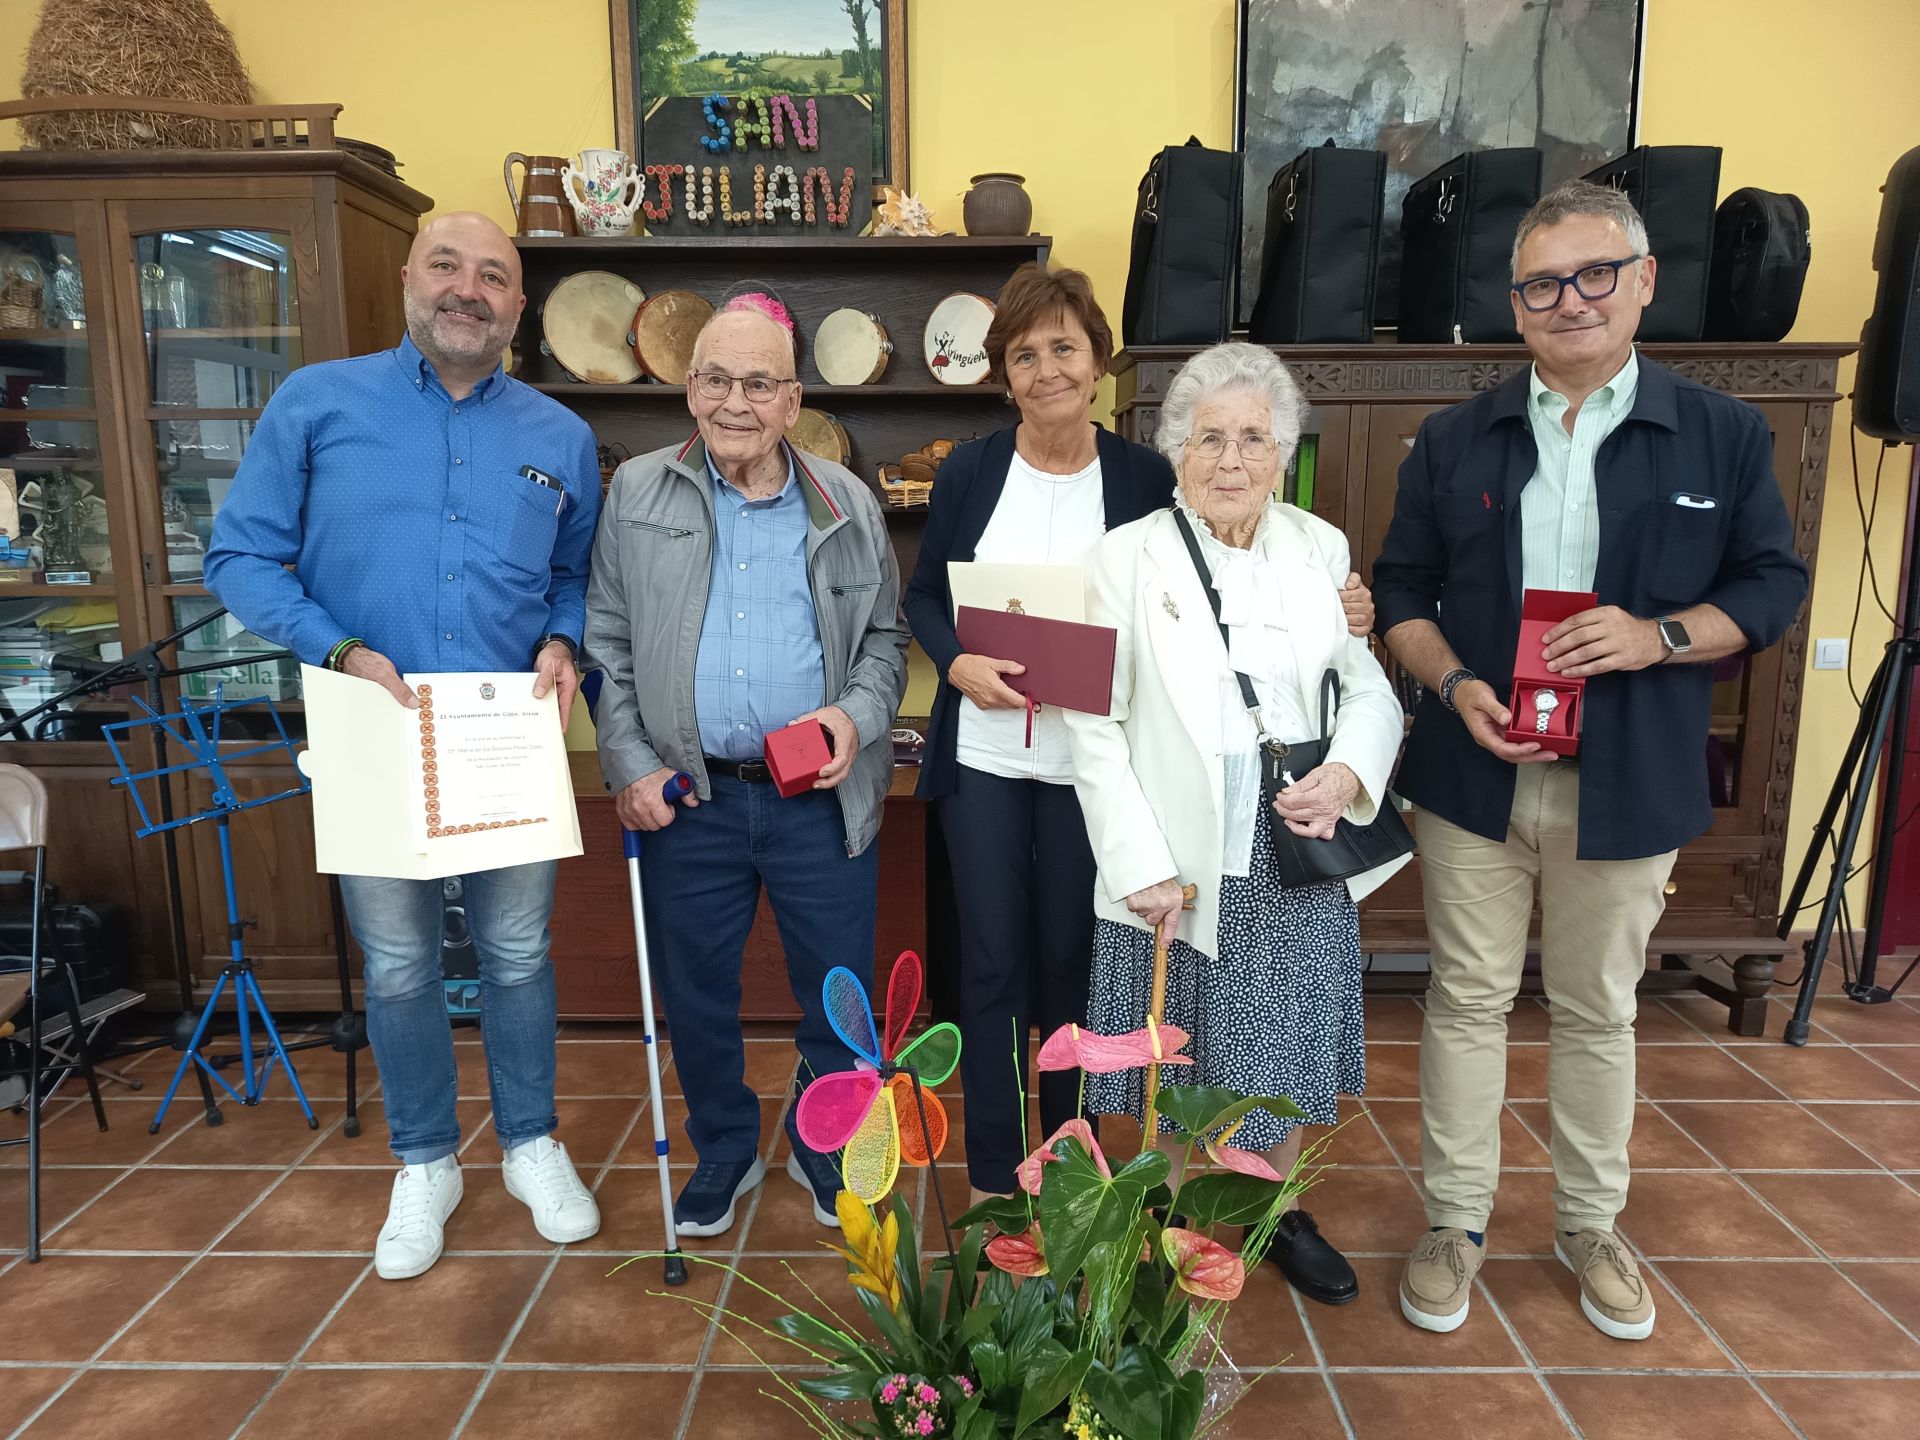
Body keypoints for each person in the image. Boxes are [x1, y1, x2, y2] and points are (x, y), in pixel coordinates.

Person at [1373, 180, 1809, 1341]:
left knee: (1598, 1010)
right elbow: (1402, 592)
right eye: (1541, 284)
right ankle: (1454, 1224)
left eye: (1594, 274)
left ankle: (1589, 1228)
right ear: (1514, 303)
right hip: (1475, 775)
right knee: (1466, 1001)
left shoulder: (1721, 432)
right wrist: (1456, 686)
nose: (1570, 300)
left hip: (1629, 779)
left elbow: (1772, 586)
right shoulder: (1457, 438)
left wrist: (1658, 636)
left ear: (1643, 280)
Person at [906, 264, 1376, 1204]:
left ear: (1097, 362)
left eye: (1064, 348)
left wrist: (1340, 606)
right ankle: (998, 1176)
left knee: (1071, 971)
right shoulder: (968, 471)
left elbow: (1209, 580)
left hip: (1099, 771)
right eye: (1024, 354)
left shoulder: (1144, 476)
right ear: (1004, 375)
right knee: (990, 968)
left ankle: (1065, 1166)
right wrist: (954, 663)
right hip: (988, 758)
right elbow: (925, 596)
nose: (1047, 369)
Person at [206, 212, 604, 1280]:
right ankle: (426, 1160)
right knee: (397, 965)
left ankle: (529, 1144)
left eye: (494, 276)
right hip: (370, 732)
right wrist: (335, 648)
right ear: (407, 280)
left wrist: (563, 641)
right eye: (447, 267)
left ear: (519, 306)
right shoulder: (316, 403)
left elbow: (574, 575)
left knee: (517, 954)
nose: (469, 290)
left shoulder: (561, 435)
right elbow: (239, 557)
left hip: (503, 740)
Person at [1064, 342, 1405, 1305]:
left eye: (1255, 438)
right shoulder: (1121, 557)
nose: (1232, 459)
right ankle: (1168, 1220)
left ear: (1283, 452)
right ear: (1175, 448)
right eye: (1209, 437)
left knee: (1282, 1044)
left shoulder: (1319, 547)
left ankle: (1272, 1212)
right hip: (1173, 841)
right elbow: (1091, 724)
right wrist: (1135, 859)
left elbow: (1364, 686)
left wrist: (1347, 772)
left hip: (1294, 831)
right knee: (1175, 1050)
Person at [583, 298, 909, 1237]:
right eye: (718, 380)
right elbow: (606, 639)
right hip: (689, 797)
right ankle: (724, 1146)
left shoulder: (847, 502)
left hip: (819, 798)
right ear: (689, 389)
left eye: (760, 383)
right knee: (696, 995)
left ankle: (822, 1142)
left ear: (793, 400)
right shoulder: (636, 492)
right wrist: (629, 763)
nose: (737, 401)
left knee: (837, 997)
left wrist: (853, 718)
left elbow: (885, 642)